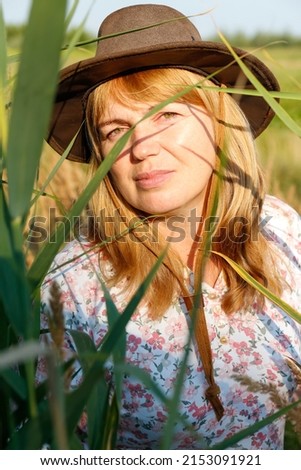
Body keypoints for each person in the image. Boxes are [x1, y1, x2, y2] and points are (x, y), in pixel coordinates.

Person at [37, 4, 301, 450]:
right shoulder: (77, 282)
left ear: (220, 123)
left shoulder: (281, 230)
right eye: (115, 129)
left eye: (166, 115)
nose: (141, 148)